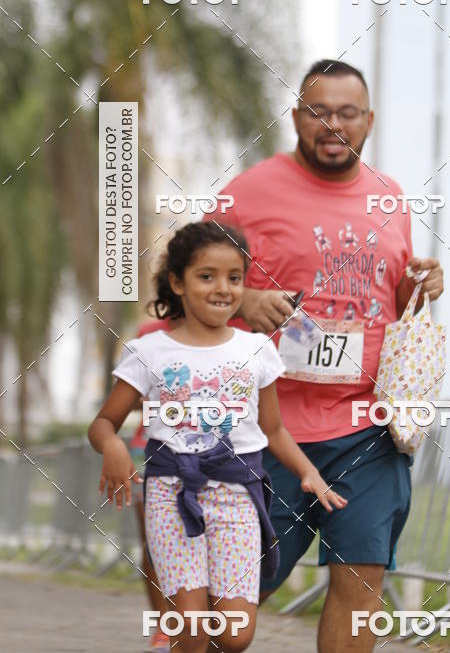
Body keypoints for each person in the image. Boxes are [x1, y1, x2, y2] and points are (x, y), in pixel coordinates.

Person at [214, 59, 445, 653]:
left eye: (347, 113)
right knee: (236, 599)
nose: (333, 124)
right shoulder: (247, 192)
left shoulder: (391, 198)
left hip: (367, 427)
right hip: (267, 429)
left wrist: (419, 285)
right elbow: (182, 280)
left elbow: (391, 299)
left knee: (361, 582)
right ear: (296, 118)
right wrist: (246, 300)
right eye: (319, 112)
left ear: (368, 121)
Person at [88, 220, 346, 653]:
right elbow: (103, 422)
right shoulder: (148, 353)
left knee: (235, 635)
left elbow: (274, 429)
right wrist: (112, 446)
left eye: (235, 278)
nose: (222, 288)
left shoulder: (257, 349)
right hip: (171, 496)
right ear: (178, 282)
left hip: (237, 497)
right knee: (190, 630)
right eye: (206, 276)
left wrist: (308, 472)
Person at [128, 317, 173, 653]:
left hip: (211, 456)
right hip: (150, 448)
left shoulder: (236, 330)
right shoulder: (149, 333)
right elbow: (130, 396)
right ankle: (164, 624)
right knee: (154, 539)